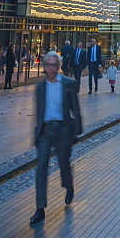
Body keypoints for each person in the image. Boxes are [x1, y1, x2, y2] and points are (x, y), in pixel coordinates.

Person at [29, 51, 83, 226]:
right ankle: (40, 208)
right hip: (45, 130)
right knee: (41, 167)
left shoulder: (68, 84)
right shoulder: (40, 87)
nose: (51, 69)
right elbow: (39, 111)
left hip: (62, 129)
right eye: (48, 65)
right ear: (44, 67)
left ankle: (68, 185)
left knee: (63, 164)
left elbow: (75, 108)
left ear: (59, 67)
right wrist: (36, 133)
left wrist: (76, 131)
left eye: (54, 65)